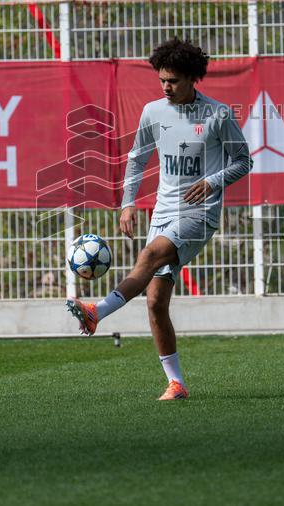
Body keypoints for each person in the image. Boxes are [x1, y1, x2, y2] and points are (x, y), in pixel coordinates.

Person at [66, 37, 252, 400]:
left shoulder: (218, 115)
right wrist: (128, 203)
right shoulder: (153, 112)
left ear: (193, 78)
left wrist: (212, 182)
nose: (166, 87)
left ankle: (97, 311)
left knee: (149, 256)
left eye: (173, 81)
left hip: (200, 213)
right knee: (154, 302)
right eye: (162, 80)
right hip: (163, 211)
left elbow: (244, 161)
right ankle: (176, 383)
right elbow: (137, 159)